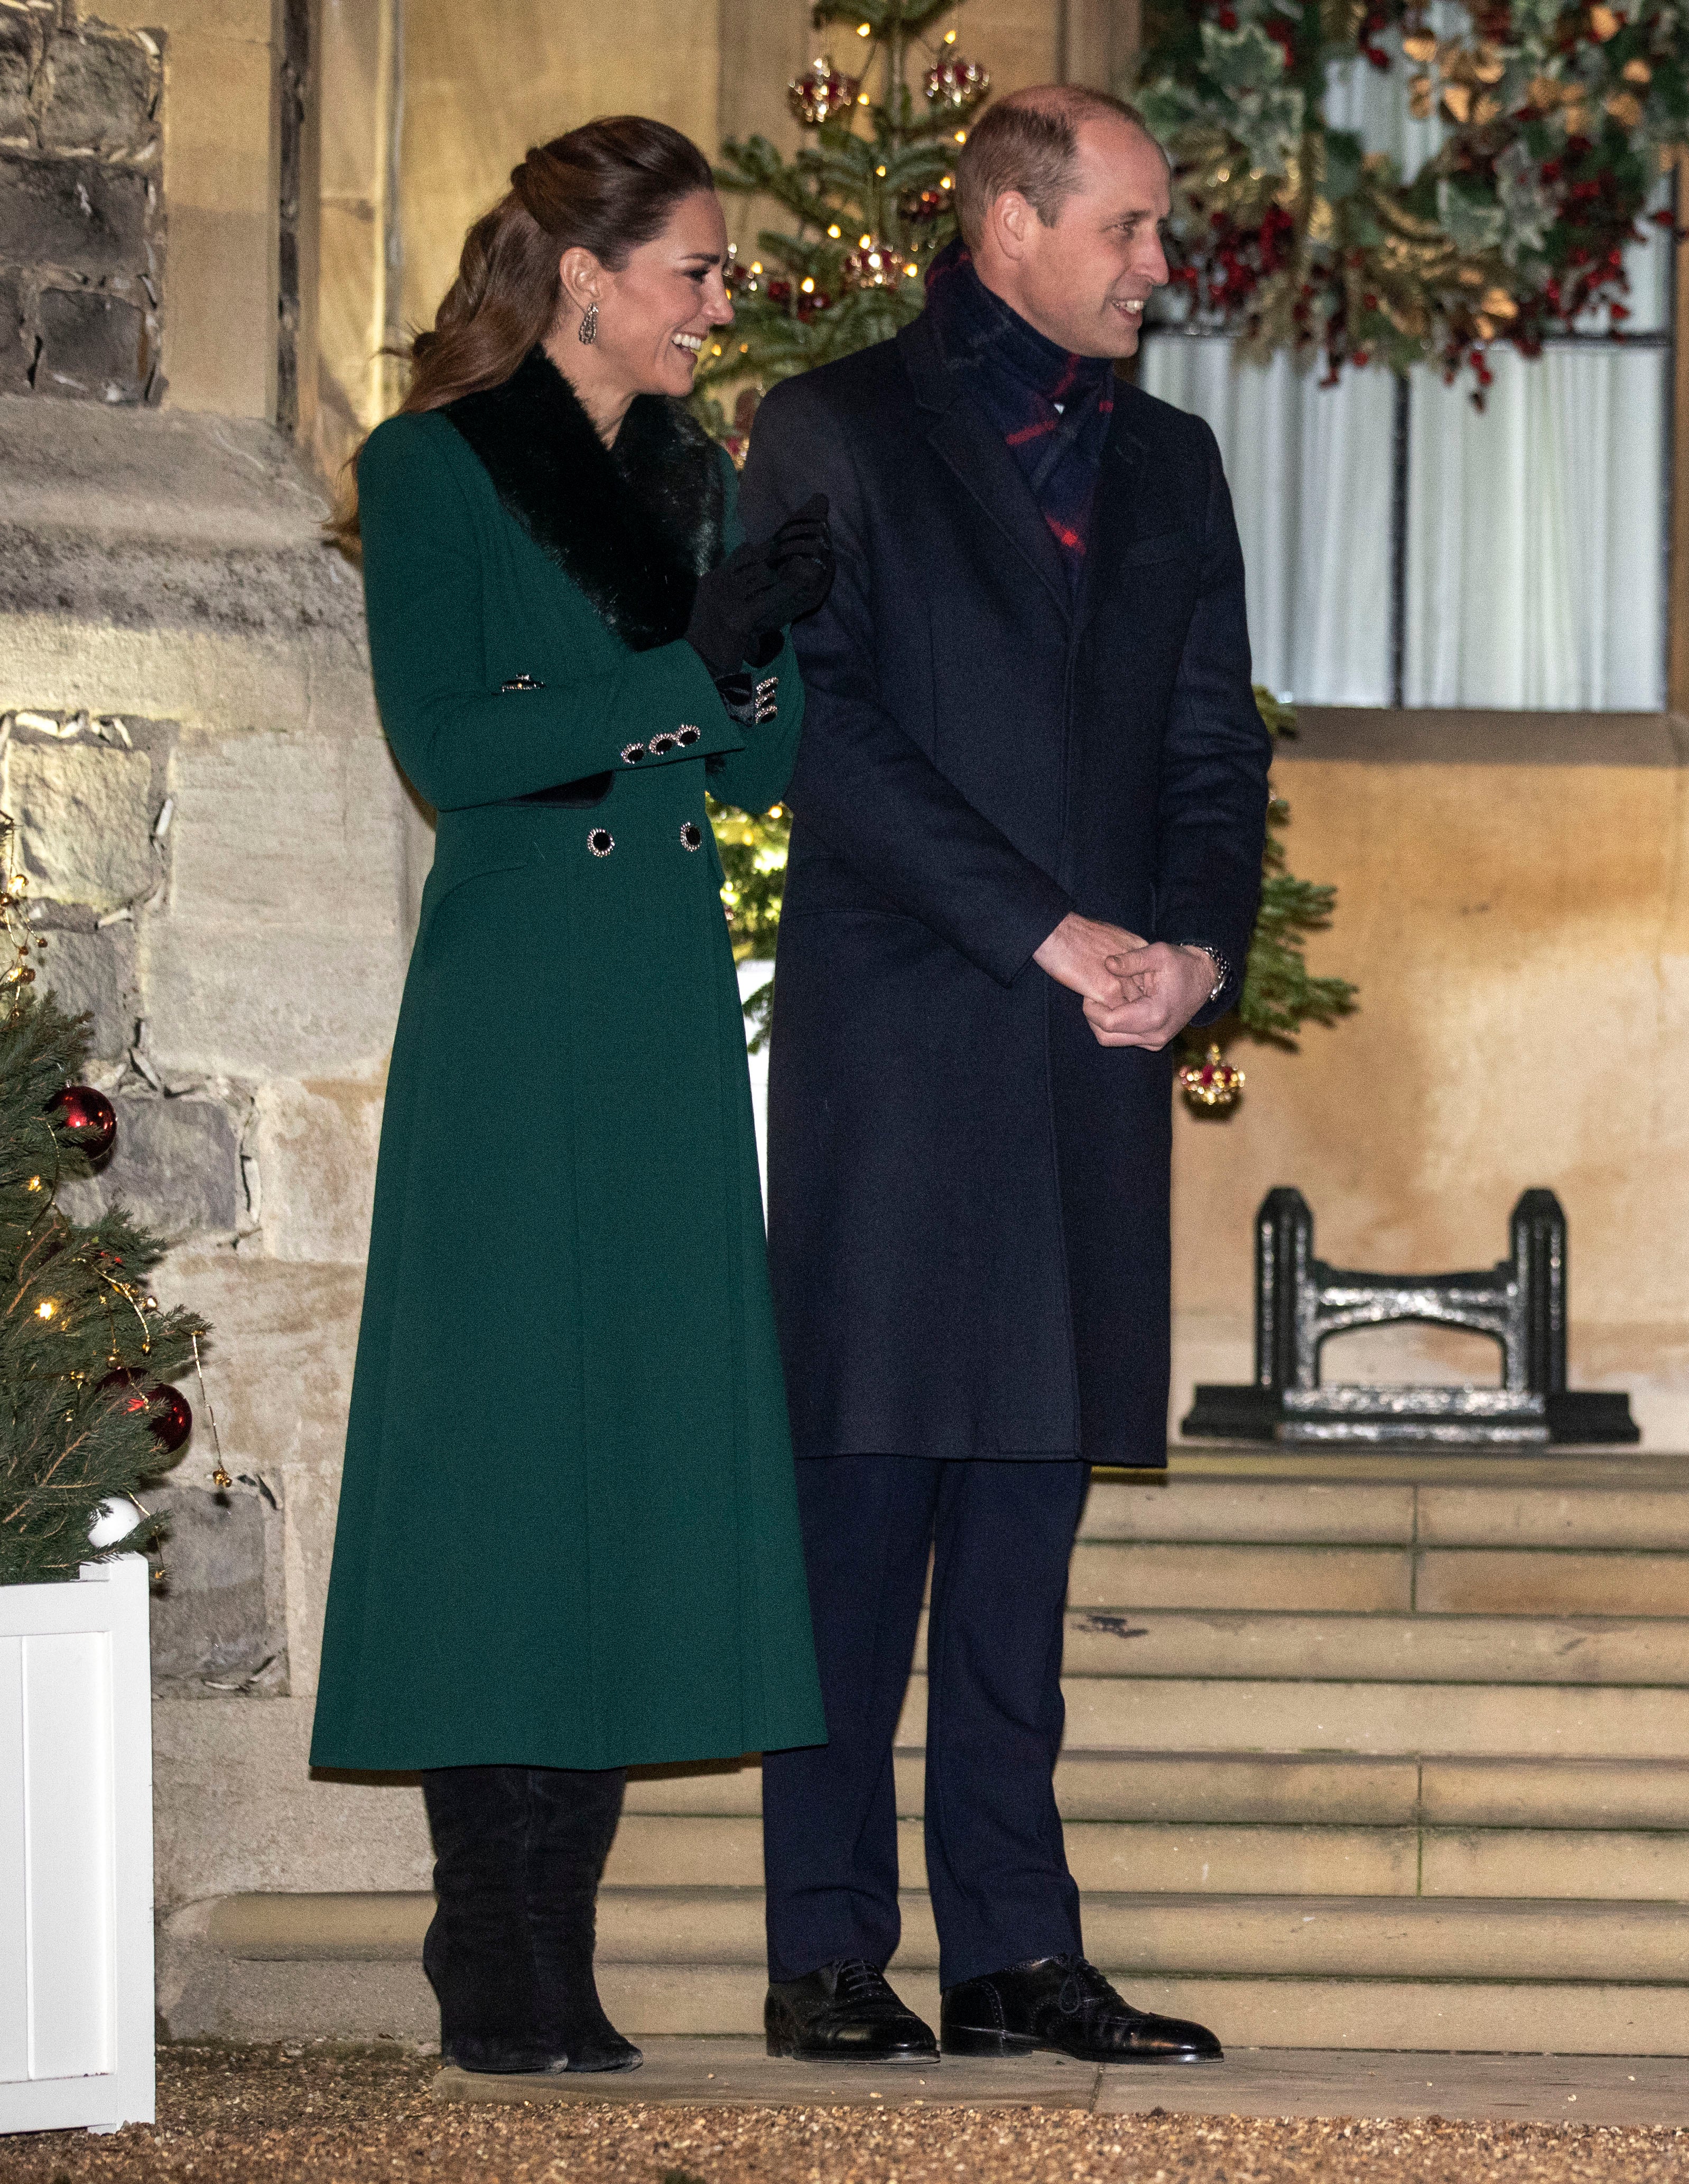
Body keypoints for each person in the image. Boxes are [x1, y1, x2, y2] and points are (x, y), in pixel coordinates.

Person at [738, 85, 1272, 2067]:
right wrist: (1043, 927)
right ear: (1010, 229)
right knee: (857, 1521)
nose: (1159, 264)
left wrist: (1196, 956)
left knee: (1024, 1547)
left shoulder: (1180, 464)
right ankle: (822, 1952)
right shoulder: (831, 427)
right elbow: (823, 726)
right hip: (905, 1057)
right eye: (1129, 228)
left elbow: (1216, 753)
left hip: (1091, 1073)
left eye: (1156, 230)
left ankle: (1012, 1952)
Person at [311, 115, 837, 2075]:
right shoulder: (430, 467)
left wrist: (764, 651)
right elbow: (452, 740)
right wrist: (685, 662)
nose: (719, 301)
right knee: (503, 1464)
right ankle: (491, 1934)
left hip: (656, 1020)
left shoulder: (684, 479)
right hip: (521, 1006)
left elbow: (760, 779)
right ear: (589, 278)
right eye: (695, 270)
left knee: (627, 1447)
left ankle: (564, 1937)